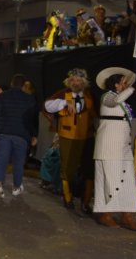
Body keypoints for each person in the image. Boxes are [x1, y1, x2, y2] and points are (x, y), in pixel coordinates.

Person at [93, 67, 136, 230]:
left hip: (122, 147)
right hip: (109, 147)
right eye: (122, 82)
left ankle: (126, 213)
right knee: (110, 181)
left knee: (127, 180)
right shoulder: (107, 97)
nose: (125, 85)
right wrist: (131, 88)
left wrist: (131, 84)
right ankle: (106, 214)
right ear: (115, 84)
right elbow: (115, 101)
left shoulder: (122, 102)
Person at [44, 68, 96, 213]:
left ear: (84, 82)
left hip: (87, 136)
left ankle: (86, 202)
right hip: (67, 136)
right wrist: (65, 103)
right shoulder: (62, 94)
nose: (75, 82)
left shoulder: (90, 96)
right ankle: (68, 198)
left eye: (78, 80)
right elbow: (47, 106)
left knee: (89, 169)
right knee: (67, 169)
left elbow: (92, 112)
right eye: (72, 80)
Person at [0, 74, 38, 198]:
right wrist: (34, 135)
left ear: (12, 84)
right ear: (23, 86)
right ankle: (16, 187)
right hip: (21, 134)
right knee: (18, 162)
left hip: (3, 132)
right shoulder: (30, 99)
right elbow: (32, 120)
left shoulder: (2, 97)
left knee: (1, 160)